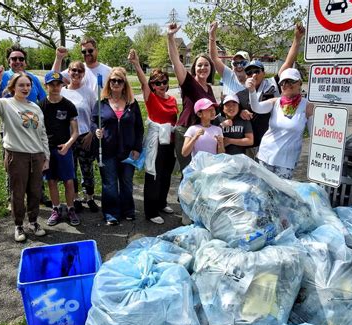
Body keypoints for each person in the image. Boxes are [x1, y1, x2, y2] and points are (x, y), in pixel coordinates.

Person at [209, 22, 305, 157]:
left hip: (270, 143)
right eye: (250, 72)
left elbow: (288, 63)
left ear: (263, 73)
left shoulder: (273, 84)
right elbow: (230, 112)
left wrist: (297, 39)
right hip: (247, 144)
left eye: (257, 71)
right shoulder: (241, 94)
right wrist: (241, 110)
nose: (253, 74)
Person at [0, 67, 50, 242]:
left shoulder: (35, 107)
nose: (25, 88)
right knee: (18, 193)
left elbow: (42, 133)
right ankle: (19, 225)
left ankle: (34, 222)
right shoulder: (6, 104)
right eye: (21, 85)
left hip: (36, 156)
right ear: (13, 87)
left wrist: (46, 157)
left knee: (35, 192)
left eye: (28, 85)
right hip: (17, 156)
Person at [128, 49, 178, 225]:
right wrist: (136, 64)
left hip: (169, 142)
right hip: (155, 142)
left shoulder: (171, 100)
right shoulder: (151, 98)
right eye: (157, 83)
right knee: (153, 174)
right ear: (152, 85)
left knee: (166, 174)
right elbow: (143, 82)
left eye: (164, 82)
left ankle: (162, 202)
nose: (161, 85)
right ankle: (150, 211)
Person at [94, 67, 144, 226]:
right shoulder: (101, 103)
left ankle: (128, 210)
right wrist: (95, 131)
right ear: (108, 83)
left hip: (128, 151)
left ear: (124, 84)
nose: (116, 83)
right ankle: (111, 214)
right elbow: (94, 122)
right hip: (107, 150)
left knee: (126, 183)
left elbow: (139, 127)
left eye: (119, 80)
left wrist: (137, 148)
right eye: (113, 80)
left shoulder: (132, 103)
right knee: (109, 184)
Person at [167, 22, 217, 172]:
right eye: (199, 65)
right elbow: (175, 60)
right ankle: (182, 197)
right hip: (186, 131)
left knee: (201, 172)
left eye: (206, 65)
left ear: (211, 69)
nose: (203, 68)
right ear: (194, 68)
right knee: (188, 172)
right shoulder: (187, 81)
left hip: (202, 132)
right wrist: (170, 37)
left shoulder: (209, 88)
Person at [248, 68, 314, 180]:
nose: (286, 84)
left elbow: (314, 135)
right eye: (283, 82)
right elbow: (256, 107)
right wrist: (252, 91)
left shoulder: (307, 106)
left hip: (287, 161)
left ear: (300, 83)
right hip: (265, 155)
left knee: (280, 194)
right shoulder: (275, 102)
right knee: (262, 190)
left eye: (291, 81)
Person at [58, 58, 100, 213]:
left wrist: (91, 133)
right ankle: (74, 198)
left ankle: (89, 197)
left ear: (83, 74)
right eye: (73, 70)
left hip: (85, 136)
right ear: (68, 72)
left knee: (87, 169)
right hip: (68, 138)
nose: (76, 73)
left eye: (79, 70)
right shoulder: (62, 92)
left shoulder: (88, 92)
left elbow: (96, 115)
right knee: (71, 169)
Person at [39, 71, 80, 227]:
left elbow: (75, 132)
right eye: (52, 84)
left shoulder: (68, 105)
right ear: (46, 86)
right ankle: (56, 209)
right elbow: (38, 130)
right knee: (51, 181)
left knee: (69, 181)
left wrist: (67, 145)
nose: (55, 87)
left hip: (65, 148)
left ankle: (70, 209)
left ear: (63, 85)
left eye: (58, 84)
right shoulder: (41, 106)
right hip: (47, 149)